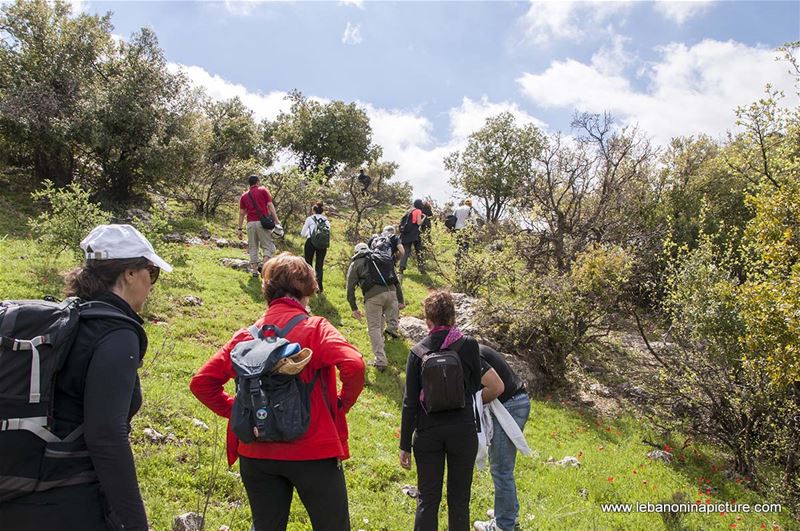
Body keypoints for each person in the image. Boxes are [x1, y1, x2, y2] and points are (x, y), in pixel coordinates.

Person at [0, 224, 172, 531]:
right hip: (67, 501)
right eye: (151, 272)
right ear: (129, 274)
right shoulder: (116, 332)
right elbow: (106, 436)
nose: (152, 283)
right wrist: (135, 524)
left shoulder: (70, 320)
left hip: (17, 492)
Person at [190, 253, 365, 531]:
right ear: (306, 289)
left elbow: (202, 383)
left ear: (267, 290)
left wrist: (240, 410)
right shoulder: (315, 328)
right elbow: (354, 365)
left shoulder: (246, 336)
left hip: (256, 453)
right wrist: (341, 404)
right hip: (313, 452)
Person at [399, 290, 482, 531]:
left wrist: (405, 444)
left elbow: (410, 402)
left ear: (428, 320)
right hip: (463, 431)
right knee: (460, 501)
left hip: (428, 432)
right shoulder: (469, 345)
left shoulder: (417, 352)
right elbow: (476, 385)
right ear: (453, 317)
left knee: (427, 499)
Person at [473, 344, 531, 531]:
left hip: (510, 405)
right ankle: (508, 513)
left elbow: (497, 387)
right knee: (503, 466)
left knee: (501, 469)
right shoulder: (473, 347)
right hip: (517, 401)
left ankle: (503, 525)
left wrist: (473, 404)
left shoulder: (471, 355)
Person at [346, 242, 405, 372]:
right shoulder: (381, 258)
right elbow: (395, 279)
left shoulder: (356, 263)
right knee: (380, 319)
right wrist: (400, 300)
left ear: (356, 252)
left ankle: (380, 361)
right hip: (391, 293)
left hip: (374, 297)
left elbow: (350, 289)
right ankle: (382, 343)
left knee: (374, 327)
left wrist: (354, 308)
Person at [238, 175, 282, 278]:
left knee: (253, 247)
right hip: (262, 223)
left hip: (250, 224)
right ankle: (263, 267)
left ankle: (254, 272)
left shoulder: (244, 196)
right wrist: (276, 220)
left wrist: (239, 228)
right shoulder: (263, 190)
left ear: (249, 184)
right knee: (268, 246)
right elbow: (270, 205)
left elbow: (241, 213)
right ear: (258, 182)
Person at [300, 201, 330, 292]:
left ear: (313, 210)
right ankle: (319, 287)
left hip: (311, 242)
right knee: (319, 265)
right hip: (322, 244)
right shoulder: (326, 220)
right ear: (322, 211)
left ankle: (308, 286)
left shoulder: (310, 219)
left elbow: (303, 233)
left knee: (308, 264)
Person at [398, 199, 427, 276]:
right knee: (419, 251)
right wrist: (424, 217)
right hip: (414, 233)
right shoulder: (418, 211)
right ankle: (422, 270)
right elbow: (419, 223)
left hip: (406, 233)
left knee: (406, 251)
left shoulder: (409, 211)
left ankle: (401, 268)